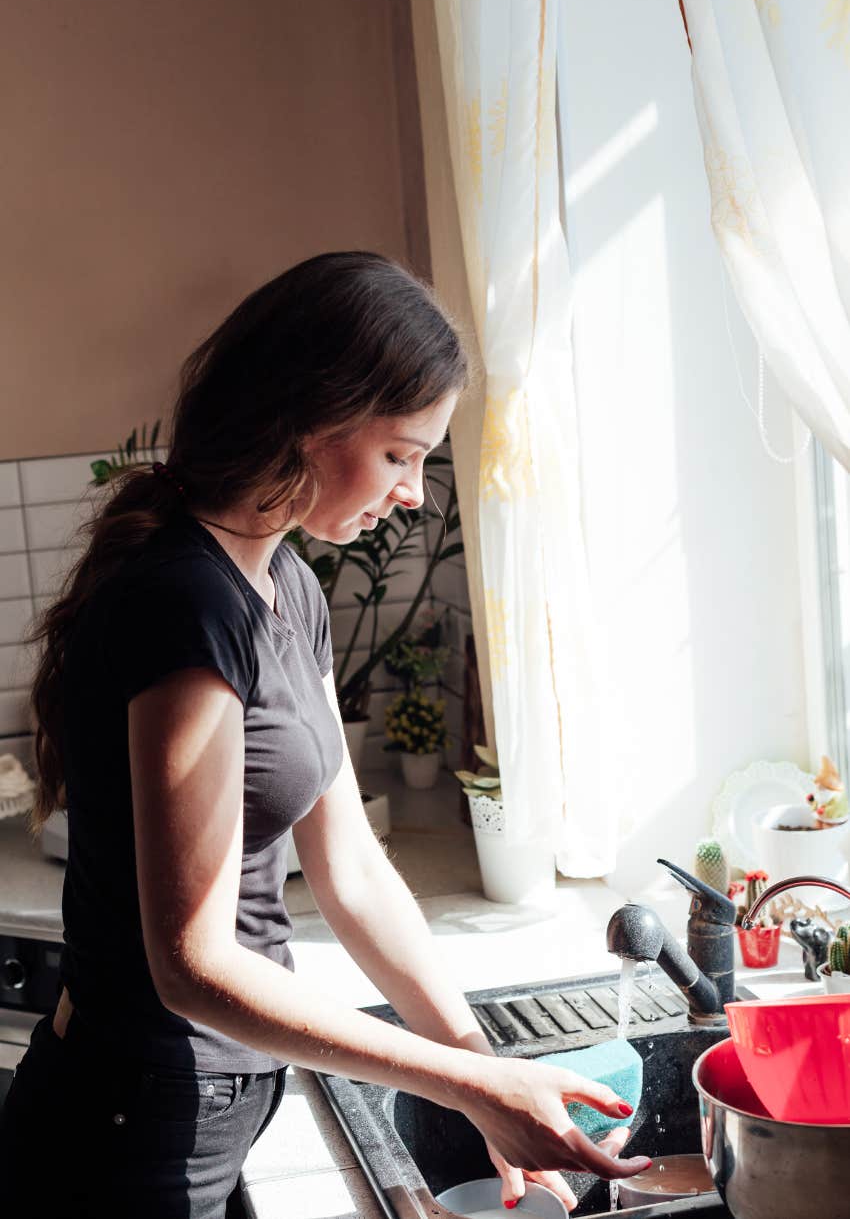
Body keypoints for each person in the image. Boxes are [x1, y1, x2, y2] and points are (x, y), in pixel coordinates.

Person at [0, 253, 651, 1217]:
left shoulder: (284, 586)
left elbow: (350, 871)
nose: (415, 492)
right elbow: (194, 968)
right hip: (124, 1127)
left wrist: (481, 1066)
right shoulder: (187, 603)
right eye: (400, 454)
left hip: (204, 1106)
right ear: (306, 418)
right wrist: (469, 1089)